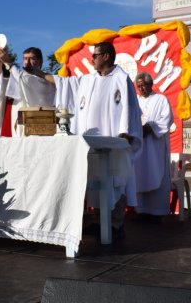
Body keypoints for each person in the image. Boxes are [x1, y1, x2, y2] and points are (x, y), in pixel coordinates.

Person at [43, 41, 143, 238]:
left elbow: (130, 110)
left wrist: (124, 134)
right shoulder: (88, 80)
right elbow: (64, 83)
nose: (92, 59)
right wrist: (38, 73)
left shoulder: (121, 79)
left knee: (115, 180)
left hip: (112, 139)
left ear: (106, 56)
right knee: (94, 180)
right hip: (90, 142)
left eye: (95, 56)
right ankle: (99, 221)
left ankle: (115, 222)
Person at [133, 72, 173, 222]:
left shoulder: (161, 99)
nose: (141, 89)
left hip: (155, 146)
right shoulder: (135, 101)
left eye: (143, 85)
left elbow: (167, 119)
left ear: (151, 84)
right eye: (138, 86)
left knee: (157, 172)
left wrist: (150, 128)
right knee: (139, 174)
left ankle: (157, 212)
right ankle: (141, 211)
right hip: (139, 146)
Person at [0, 46, 56, 136]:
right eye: (25, 58)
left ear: (40, 61)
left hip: (39, 124)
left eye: (32, 58)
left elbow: (22, 78)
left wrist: (7, 62)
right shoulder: (20, 76)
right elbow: (5, 82)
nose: (27, 62)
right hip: (19, 123)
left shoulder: (44, 80)